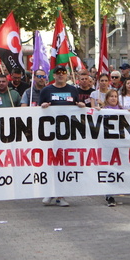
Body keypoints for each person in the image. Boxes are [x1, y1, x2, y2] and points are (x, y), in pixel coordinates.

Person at [40, 65, 85, 207]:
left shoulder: (73, 90)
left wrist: (81, 106)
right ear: (54, 76)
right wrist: (43, 107)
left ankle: (60, 195)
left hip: (68, 134)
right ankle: (51, 191)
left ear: (67, 75)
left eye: (63, 73)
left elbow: (77, 105)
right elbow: (38, 110)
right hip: (51, 133)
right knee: (52, 164)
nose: (61, 75)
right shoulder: (47, 90)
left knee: (64, 164)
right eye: (58, 73)